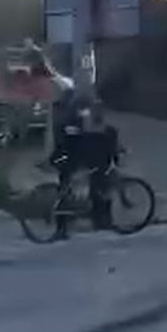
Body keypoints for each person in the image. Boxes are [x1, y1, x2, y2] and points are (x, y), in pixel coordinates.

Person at [47, 92, 117, 234]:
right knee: (91, 180)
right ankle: (98, 220)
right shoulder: (76, 121)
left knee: (75, 184)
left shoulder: (72, 117)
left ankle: (66, 226)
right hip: (69, 156)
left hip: (67, 155)